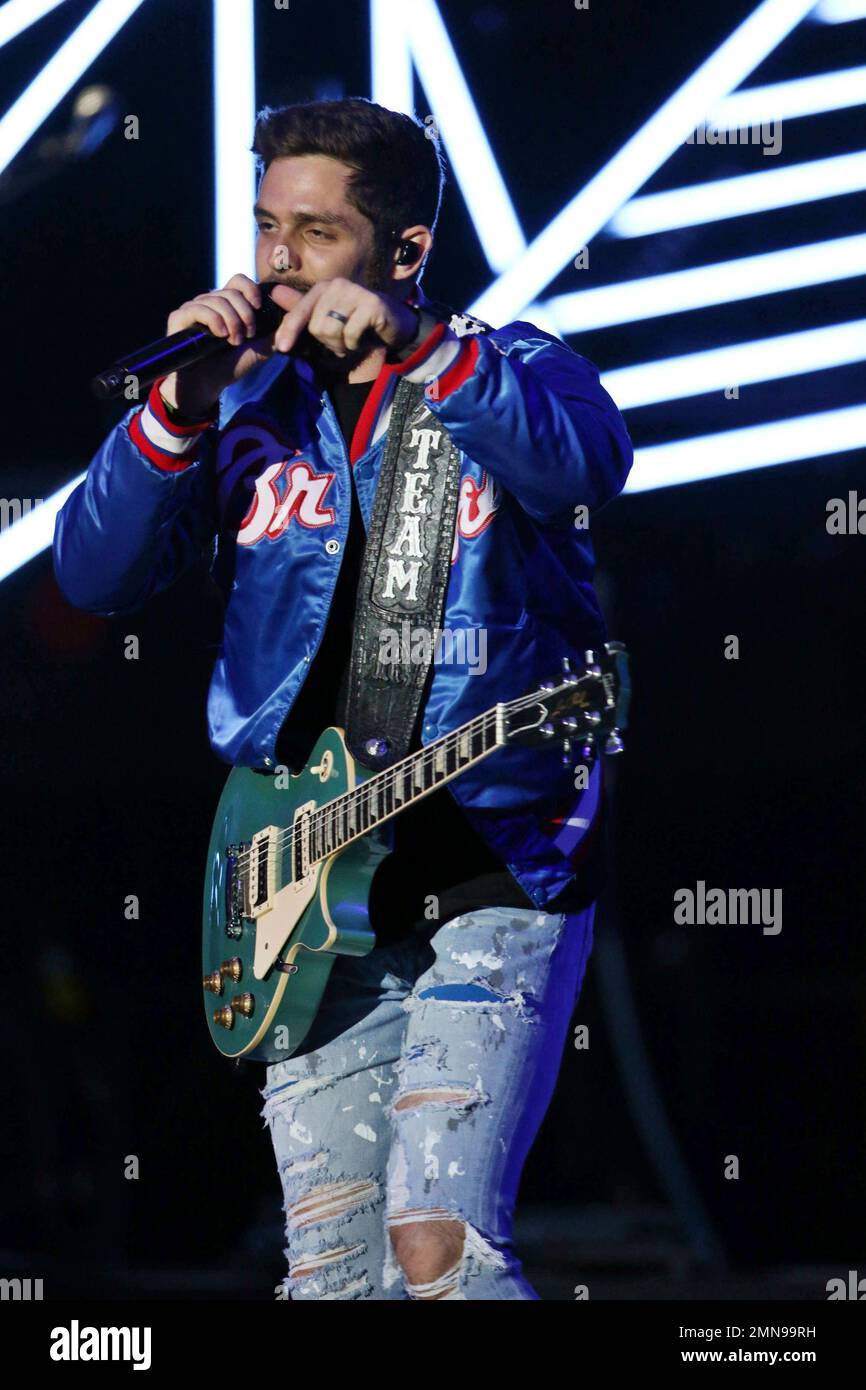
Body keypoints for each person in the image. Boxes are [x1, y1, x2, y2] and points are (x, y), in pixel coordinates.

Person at [53, 97, 634, 1300]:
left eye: (314, 234)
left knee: (436, 1241)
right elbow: (91, 574)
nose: (277, 262)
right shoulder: (245, 407)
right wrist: (175, 410)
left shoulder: (513, 367)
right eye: (268, 228)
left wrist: (423, 355)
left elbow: (580, 466)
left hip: (492, 859)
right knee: (329, 1278)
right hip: (301, 892)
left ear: (404, 251)